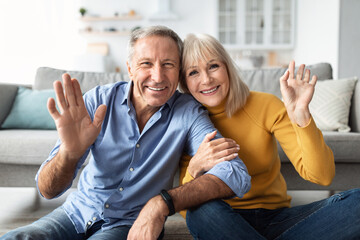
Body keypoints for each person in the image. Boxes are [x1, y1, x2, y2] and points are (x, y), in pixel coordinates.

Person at [0, 26, 251, 240]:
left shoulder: (187, 112)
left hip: (130, 223)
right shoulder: (97, 100)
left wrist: (161, 203)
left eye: (168, 65)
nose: (158, 76)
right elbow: (48, 191)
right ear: (130, 69)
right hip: (76, 211)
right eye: (146, 64)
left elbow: (236, 174)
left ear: (179, 71)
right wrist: (68, 153)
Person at [179, 33, 360, 240]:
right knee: (200, 212)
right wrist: (194, 169)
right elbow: (186, 208)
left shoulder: (265, 105)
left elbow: (322, 175)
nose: (206, 79)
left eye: (213, 66)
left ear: (227, 67)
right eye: (193, 72)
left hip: (279, 219)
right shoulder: (186, 120)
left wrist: (302, 117)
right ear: (184, 82)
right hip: (223, 221)